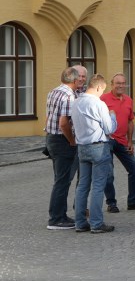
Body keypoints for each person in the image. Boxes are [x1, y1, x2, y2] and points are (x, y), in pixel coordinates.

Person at [72, 74, 117, 234]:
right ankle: (96, 223)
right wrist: (113, 116)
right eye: (102, 90)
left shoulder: (76, 101)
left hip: (82, 146)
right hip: (98, 146)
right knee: (98, 186)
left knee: (82, 185)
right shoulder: (99, 104)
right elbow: (109, 129)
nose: (101, 94)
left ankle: (80, 222)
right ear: (98, 87)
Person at [100, 73, 135, 212]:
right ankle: (111, 203)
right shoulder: (103, 99)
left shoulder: (128, 100)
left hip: (122, 140)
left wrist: (129, 141)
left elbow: (129, 121)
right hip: (108, 140)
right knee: (108, 173)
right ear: (112, 84)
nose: (121, 86)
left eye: (123, 83)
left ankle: (133, 201)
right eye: (118, 83)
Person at [45, 67, 81, 230]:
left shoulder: (53, 91)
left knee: (60, 179)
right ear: (73, 80)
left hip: (51, 138)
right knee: (63, 181)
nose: (81, 81)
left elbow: (49, 115)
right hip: (62, 141)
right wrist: (72, 141)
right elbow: (63, 122)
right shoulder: (68, 95)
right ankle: (56, 218)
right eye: (79, 79)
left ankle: (59, 214)